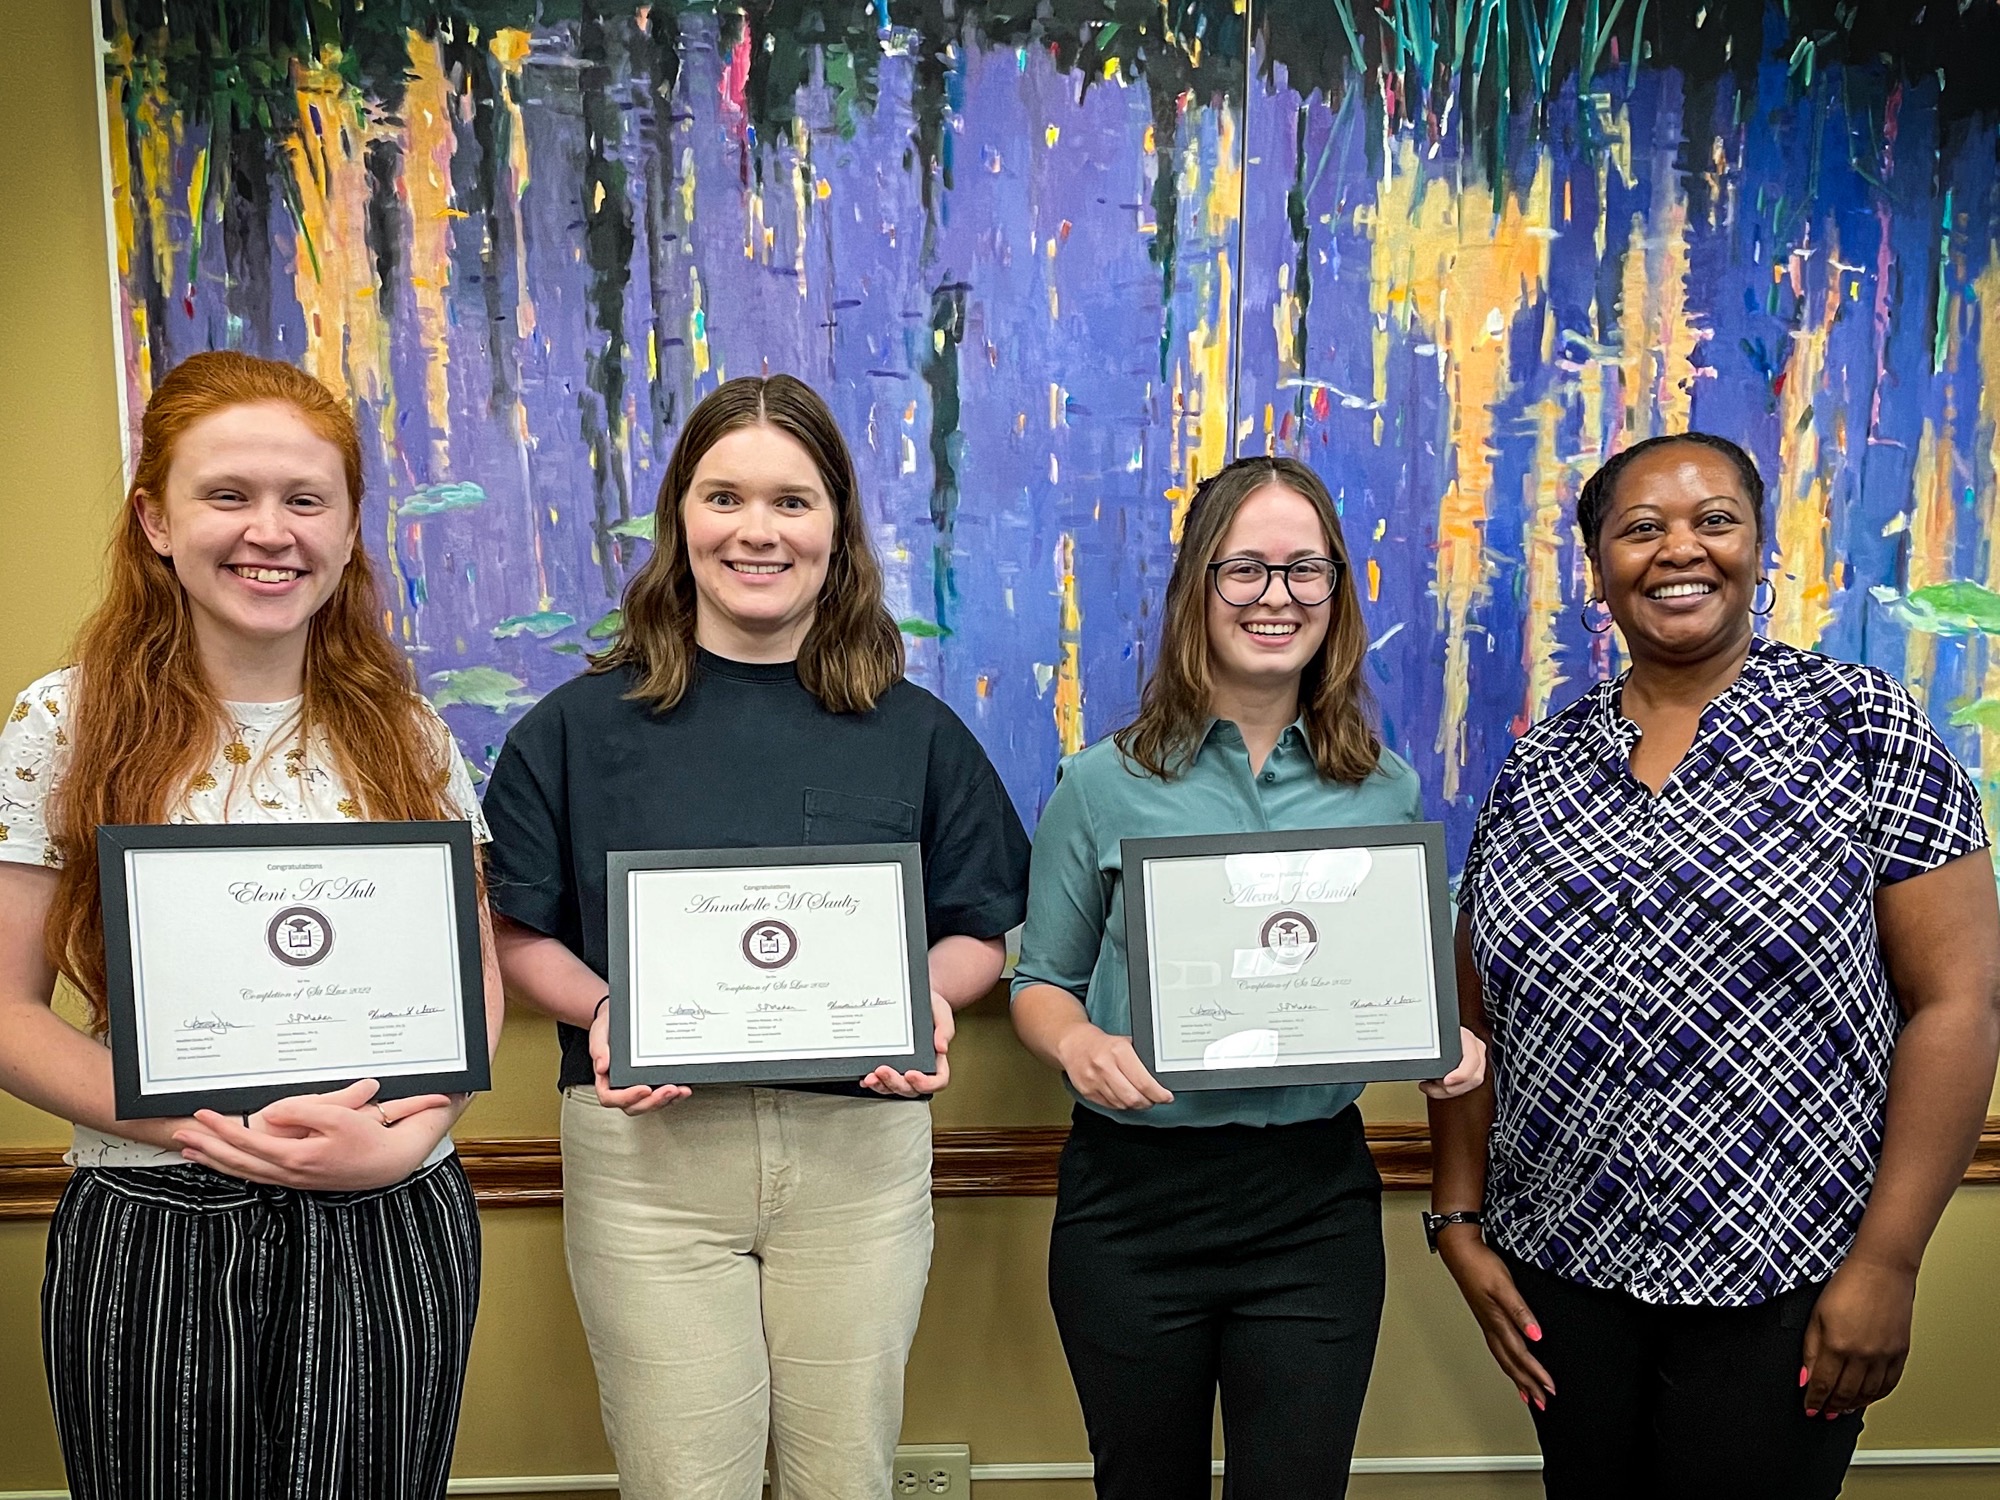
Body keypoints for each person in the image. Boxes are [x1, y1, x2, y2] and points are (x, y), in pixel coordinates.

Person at [481, 373, 1030, 1500]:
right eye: (724, 496)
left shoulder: (912, 731)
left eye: (792, 500)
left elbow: (982, 922)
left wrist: (926, 991)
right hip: (648, 1164)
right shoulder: (576, 728)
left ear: (837, 526)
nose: (757, 531)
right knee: (684, 1484)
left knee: (846, 1481)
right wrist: (604, 1010)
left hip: (857, 1157)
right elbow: (517, 929)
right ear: (681, 515)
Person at [1430, 432, 2000, 1498]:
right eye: (1638, 529)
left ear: (1756, 548)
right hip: (1561, 1273)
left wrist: (1885, 1263)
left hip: (1787, 1273)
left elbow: (1956, 1005)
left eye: (1712, 520)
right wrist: (1457, 1220)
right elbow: (1471, 1024)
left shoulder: (1862, 728)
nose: (1676, 549)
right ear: (1596, 567)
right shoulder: (1537, 766)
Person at [0, 351, 504, 1500]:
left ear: (347, 527)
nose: (268, 531)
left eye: (304, 499)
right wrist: (188, 1126)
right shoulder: (61, 722)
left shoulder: (410, 733)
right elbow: (4, 1012)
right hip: (154, 1218)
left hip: (388, 1208)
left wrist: (412, 1133)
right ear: (156, 520)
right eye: (227, 495)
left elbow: (471, 985)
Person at [1009, 454, 1488, 1500]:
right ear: (1197, 587)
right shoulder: (1102, 783)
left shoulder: (1382, 787)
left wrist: (1444, 1042)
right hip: (1131, 1205)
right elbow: (1039, 979)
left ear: (1334, 595)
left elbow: (1407, 973)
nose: (1276, 598)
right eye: (1245, 570)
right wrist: (1077, 1041)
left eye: (1303, 571)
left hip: (1308, 1204)